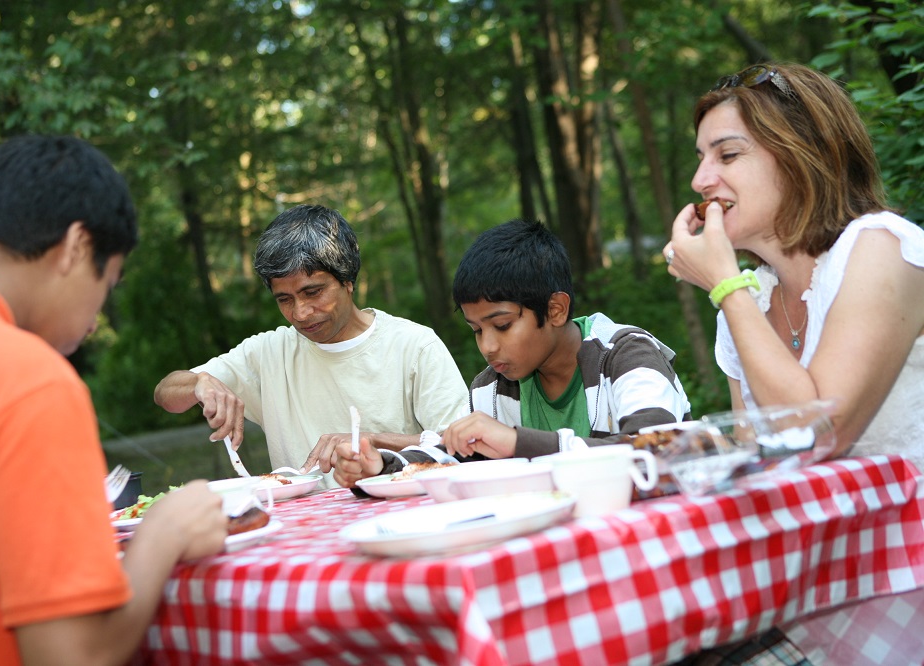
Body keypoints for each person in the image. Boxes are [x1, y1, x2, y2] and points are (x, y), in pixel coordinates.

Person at [0, 135, 227, 666]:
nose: (92, 322)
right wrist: (165, 533)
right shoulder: (24, 377)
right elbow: (73, 655)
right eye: (106, 285)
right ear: (75, 246)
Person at [662, 62, 924, 471]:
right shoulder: (749, 301)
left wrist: (726, 285)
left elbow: (818, 436)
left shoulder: (882, 246)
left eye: (727, 154)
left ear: (800, 155)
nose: (700, 180)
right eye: (701, 159)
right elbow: (759, 464)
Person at [332, 218, 692, 486]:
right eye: (476, 330)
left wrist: (518, 442)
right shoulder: (493, 388)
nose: (488, 346)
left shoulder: (626, 356)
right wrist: (381, 466)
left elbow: (657, 451)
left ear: (555, 310)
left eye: (502, 325)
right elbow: (449, 455)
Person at [154, 204, 468, 487]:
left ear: (348, 280)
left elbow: (462, 446)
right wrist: (199, 383)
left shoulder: (414, 346)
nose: (300, 313)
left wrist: (371, 440)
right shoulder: (270, 353)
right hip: (305, 535)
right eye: (284, 299)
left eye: (312, 292)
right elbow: (166, 394)